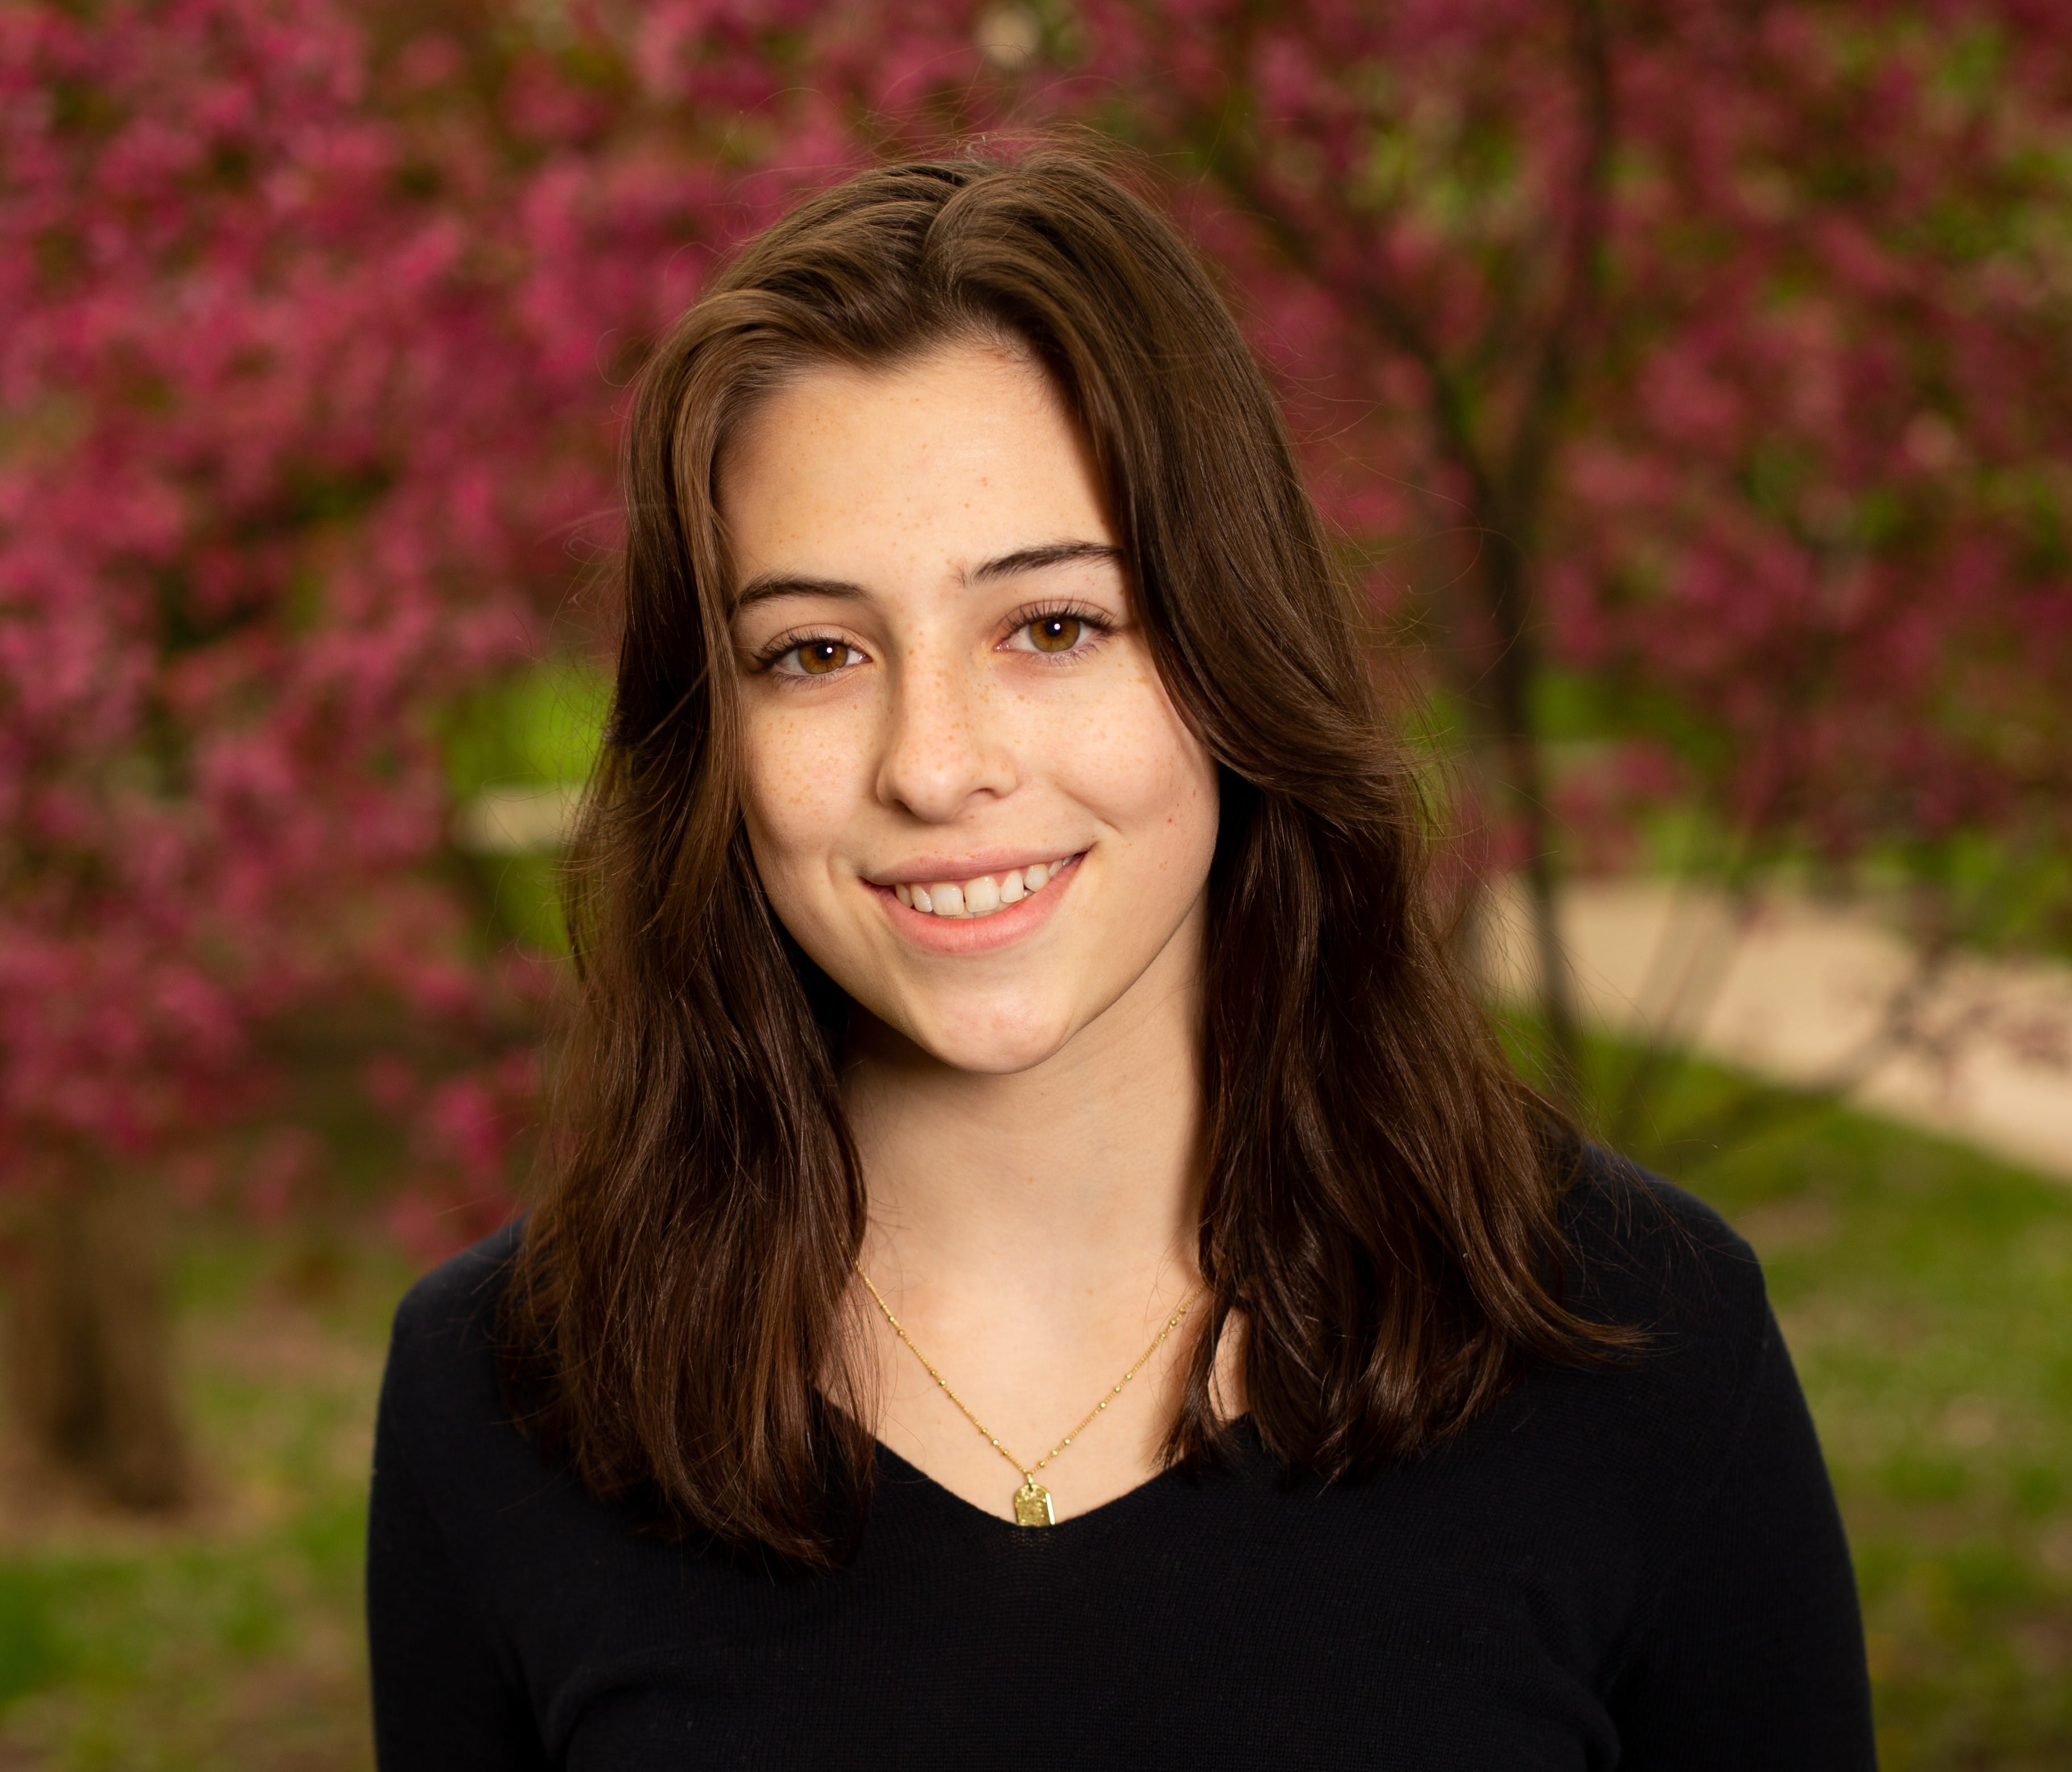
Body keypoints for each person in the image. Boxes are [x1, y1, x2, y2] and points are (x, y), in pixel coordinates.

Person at [366, 147, 1875, 1769]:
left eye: (1053, 626)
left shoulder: (1642, 1339)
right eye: (814, 652)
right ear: (710, 735)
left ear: (1234, 652)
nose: (933, 765)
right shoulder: (498, 1397)